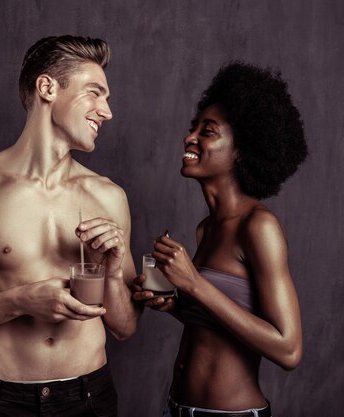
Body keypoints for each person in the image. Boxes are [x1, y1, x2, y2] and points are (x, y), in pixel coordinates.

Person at [0, 35, 139, 417]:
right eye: (95, 93)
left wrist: (113, 273)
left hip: (89, 398)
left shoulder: (109, 197)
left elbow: (125, 327)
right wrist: (20, 301)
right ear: (47, 87)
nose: (107, 111)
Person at [134, 62, 307, 417]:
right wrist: (176, 307)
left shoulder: (259, 226)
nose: (190, 137)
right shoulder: (207, 227)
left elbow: (289, 350)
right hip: (179, 408)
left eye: (207, 132)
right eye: (193, 128)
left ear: (240, 150)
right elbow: (222, 325)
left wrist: (194, 283)